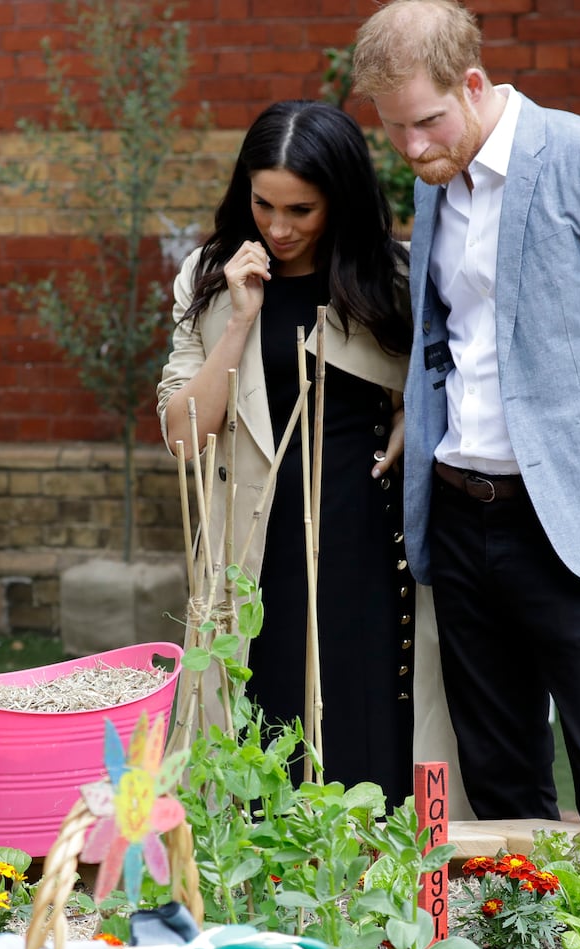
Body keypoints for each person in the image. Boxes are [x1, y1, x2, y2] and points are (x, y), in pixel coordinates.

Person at [351, 0, 580, 830]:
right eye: (395, 129)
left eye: (428, 122)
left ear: (473, 85)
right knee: (502, 784)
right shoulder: (435, 177)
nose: (411, 147)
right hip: (459, 514)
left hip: (573, 523)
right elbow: (447, 337)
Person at [157, 100, 421, 805]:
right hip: (251, 548)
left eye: (301, 209)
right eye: (263, 204)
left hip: (366, 539)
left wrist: (412, 419)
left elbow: (441, 385)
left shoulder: (393, 279)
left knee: (365, 723)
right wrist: (241, 321)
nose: (278, 228)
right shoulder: (209, 278)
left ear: (341, 199)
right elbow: (185, 436)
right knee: (261, 721)